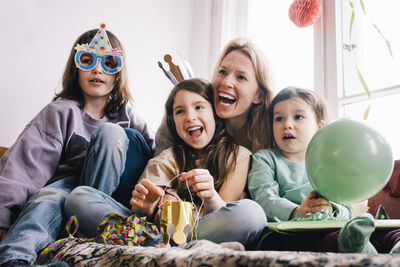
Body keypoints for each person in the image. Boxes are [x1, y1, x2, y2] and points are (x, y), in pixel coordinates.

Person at [0, 24, 154, 267]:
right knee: (47, 198)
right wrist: (3, 217)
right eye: (87, 60)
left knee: (111, 133)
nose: (97, 69)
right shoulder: (60, 112)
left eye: (109, 63)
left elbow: (160, 159)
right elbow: (23, 167)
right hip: (69, 190)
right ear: (76, 67)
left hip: (116, 202)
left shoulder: (130, 118)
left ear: (118, 73)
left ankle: (83, 239)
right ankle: (15, 259)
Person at [64, 78, 267, 248]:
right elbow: (141, 215)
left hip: (202, 228)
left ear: (214, 113)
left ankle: (164, 245)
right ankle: (172, 246)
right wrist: (148, 207)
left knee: (253, 213)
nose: (190, 117)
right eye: (180, 111)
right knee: (78, 197)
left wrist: (211, 196)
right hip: (152, 232)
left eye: (199, 107)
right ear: (173, 122)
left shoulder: (238, 155)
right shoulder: (166, 159)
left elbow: (224, 211)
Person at [247, 87, 356, 252]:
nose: (287, 125)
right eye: (279, 119)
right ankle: (356, 246)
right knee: (330, 242)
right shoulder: (265, 158)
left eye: (298, 117)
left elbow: (347, 208)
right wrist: (297, 211)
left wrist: (331, 209)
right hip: (283, 234)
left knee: (377, 232)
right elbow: (264, 198)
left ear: (320, 127)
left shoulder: (330, 163)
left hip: (328, 227)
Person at [155, 37, 275, 155]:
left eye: (241, 77)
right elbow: (159, 164)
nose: (226, 82)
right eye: (222, 72)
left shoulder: (274, 133)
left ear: (259, 95)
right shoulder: (184, 112)